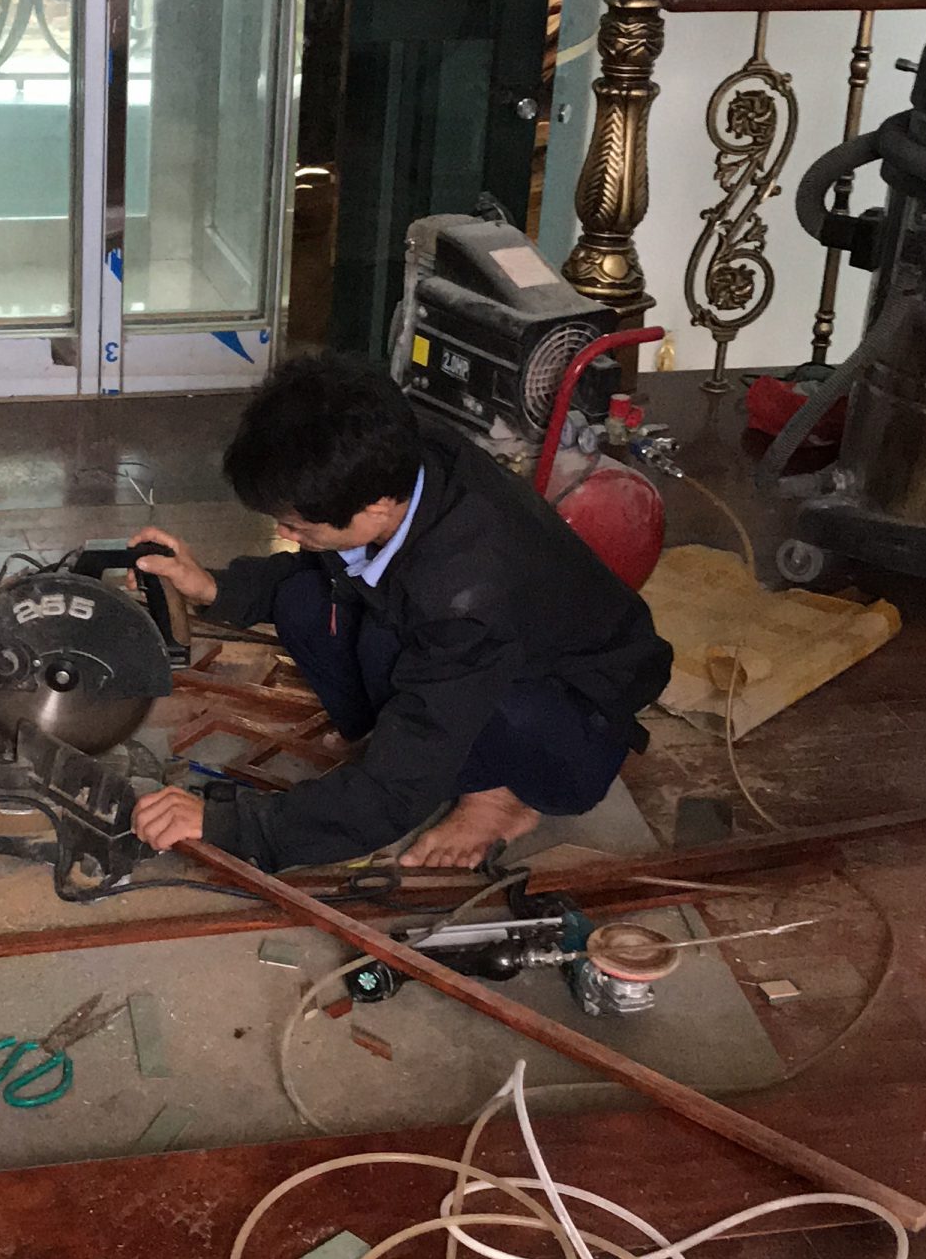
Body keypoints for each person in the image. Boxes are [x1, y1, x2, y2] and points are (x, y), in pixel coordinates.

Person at [130, 352, 672, 872]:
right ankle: (395, 746)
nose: (286, 534)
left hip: (572, 719)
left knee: (407, 693)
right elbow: (325, 564)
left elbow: (398, 791)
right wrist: (213, 587)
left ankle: (497, 797)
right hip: (476, 642)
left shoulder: (464, 591)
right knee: (305, 602)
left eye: (298, 526)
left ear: (375, 507)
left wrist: (231, 825)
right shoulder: (395, 456)